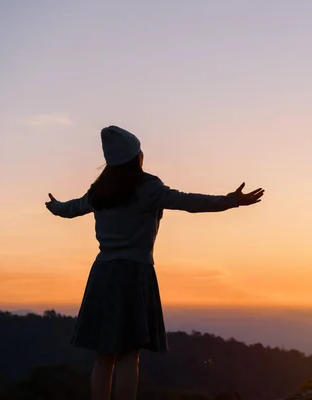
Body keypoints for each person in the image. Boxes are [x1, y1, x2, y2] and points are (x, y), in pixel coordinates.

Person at [45, 125, 264, 400]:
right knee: (128, 355)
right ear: (136, 157)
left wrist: (55, 206)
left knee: (104, 355)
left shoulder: (99, 192)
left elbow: (70, 209)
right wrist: (231, 201)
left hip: (103, 273)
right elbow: (188, 202)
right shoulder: (148, 188)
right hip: (134, 274)